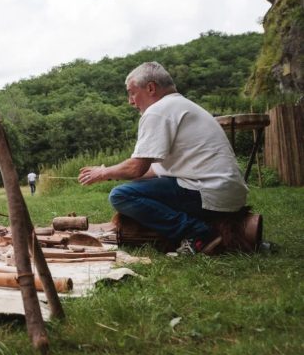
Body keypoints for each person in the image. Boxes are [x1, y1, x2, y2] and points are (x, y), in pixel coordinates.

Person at [78, 61, 247, 254]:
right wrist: (112, 173)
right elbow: (151, 171)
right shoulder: (182, 105)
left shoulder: (158, 110)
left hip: (210, 191)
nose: (130, 101)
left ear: (150, 88)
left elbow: (136, 168)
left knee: (121, 195)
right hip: (227, 192)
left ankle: (197, 232)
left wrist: (102, 172)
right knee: (135, 188)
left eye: (132, 92)